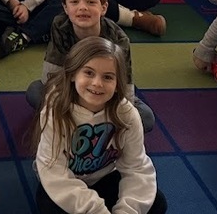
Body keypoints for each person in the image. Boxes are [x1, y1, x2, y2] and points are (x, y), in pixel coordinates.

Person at [34, 37, 167, 214]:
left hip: (104, 176)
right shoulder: (56, 110)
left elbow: (136, 167)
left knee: (157, 203)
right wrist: (96, 210)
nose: (97, 83)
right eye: (89, 73)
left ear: (117, 84)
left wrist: (126, 210)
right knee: (48, 205)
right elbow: (53, 170)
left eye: (108, 77)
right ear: (73, 74)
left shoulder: (127, 114)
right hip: (63, 179)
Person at [26, 0, 155, 132]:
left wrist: (118, 110)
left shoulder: (118, 39)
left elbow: (124, 84)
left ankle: (84, 123)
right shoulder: (60, 25)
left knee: (145, 117)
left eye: (91, 2)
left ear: (103, 8)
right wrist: (63, 102)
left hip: (103, 92)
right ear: (65, 8)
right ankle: (87, 123)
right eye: (74, 2)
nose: (82, 7)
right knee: (35, 91)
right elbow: (51, 75)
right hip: (71, 88)